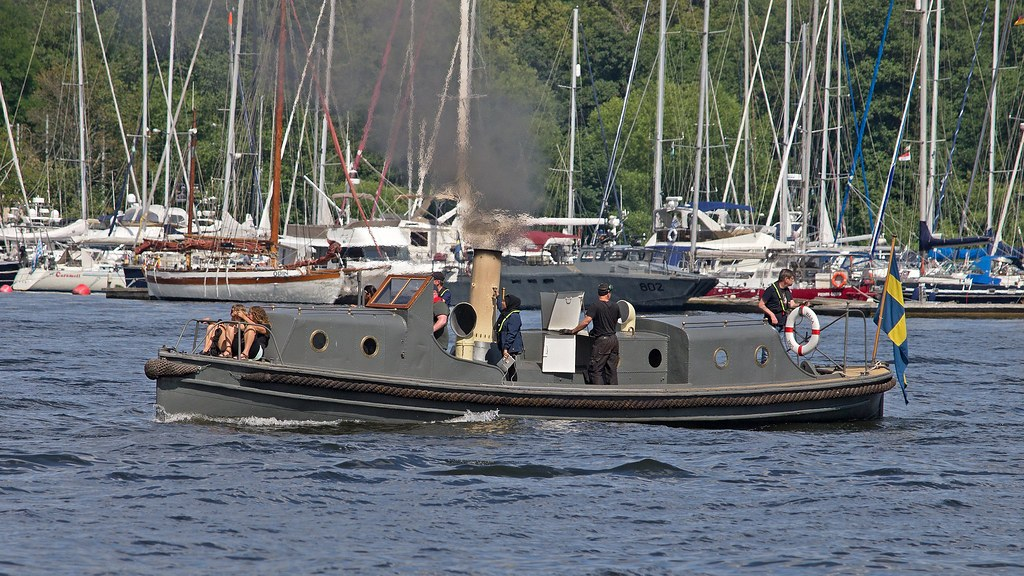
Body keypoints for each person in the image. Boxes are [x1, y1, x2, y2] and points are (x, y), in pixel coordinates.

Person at [561, 282, 622, 385]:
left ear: (599, 293)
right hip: (614, 340)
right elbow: (614, 322)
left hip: (602, 341)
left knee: (596, 369)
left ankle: (599, 395)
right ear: (608, 294)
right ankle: (613, 393)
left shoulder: (595, 306)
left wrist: (573, 331)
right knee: (611, 369)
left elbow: (586, 321)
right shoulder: (615, 306)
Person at [495, 293, 523, 381]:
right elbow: (500, 307)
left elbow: (512, 333)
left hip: (511, 347)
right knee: (506, 367)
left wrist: (506, 348)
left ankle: (513, 383)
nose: (503, 303)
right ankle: (507, 382)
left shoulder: (514, 316)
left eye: (504, 301)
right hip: (504, 345)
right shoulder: (507, 313)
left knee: (511, 368)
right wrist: (497, 297)